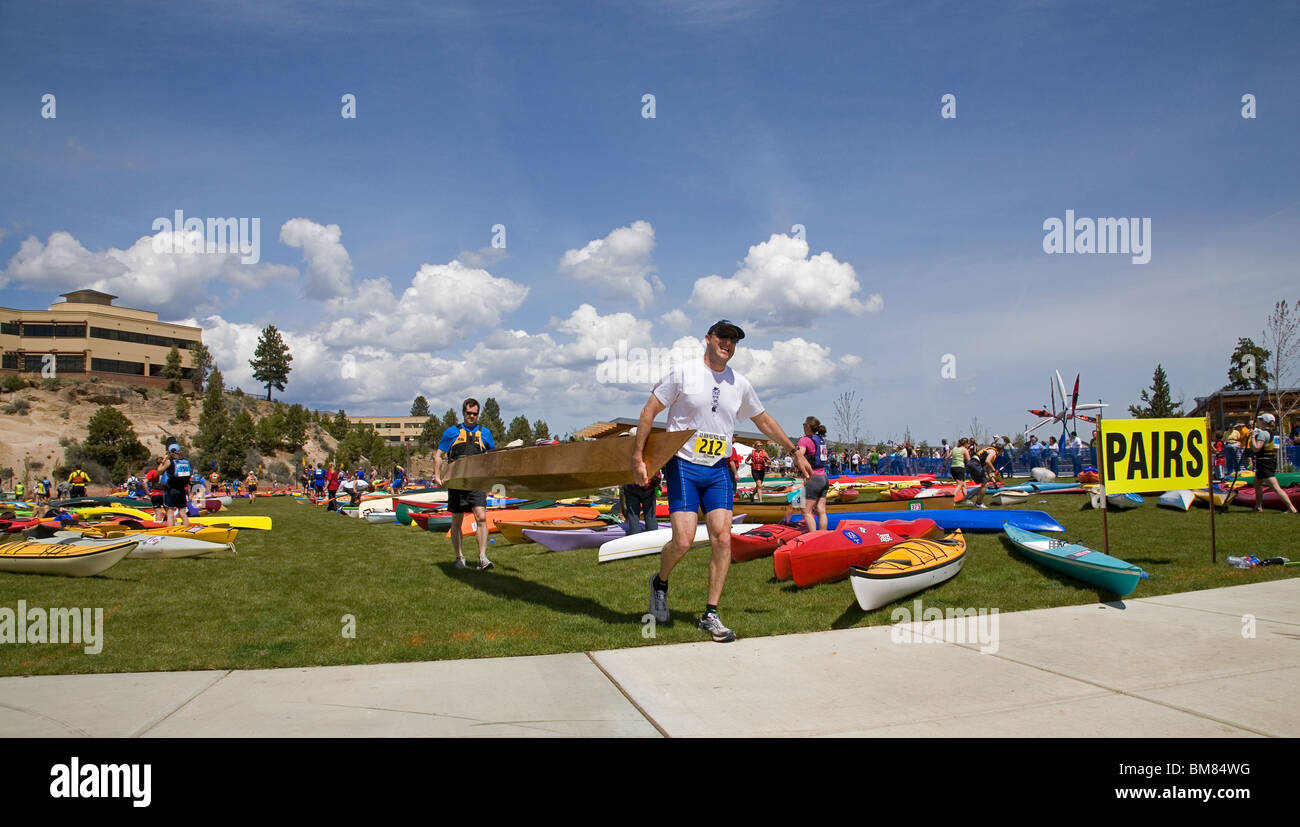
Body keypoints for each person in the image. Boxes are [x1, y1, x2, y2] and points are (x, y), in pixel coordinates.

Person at [633, 319, 811, 643]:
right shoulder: (683, 372)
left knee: (723, 539)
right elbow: (649, 411)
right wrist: (638, 457)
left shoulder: (739, 383)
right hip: (684, 464)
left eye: (733, 340)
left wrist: (794, 450)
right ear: (708, 338)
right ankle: (659, 582)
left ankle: (710, 614)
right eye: (723, 337)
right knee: (684, 541)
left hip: (718, 468)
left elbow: (764, 421)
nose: (728, 343)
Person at [434, 398, 497, 570]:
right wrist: (437, 475)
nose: (471, 416)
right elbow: (439, 455)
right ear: (463, 413)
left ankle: (482, 558)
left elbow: (492, 458)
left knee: (482, 517)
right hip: (457, 481)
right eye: (468, 413)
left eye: (474, 414)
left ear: (478, 414)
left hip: (476, 481)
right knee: (457, 519)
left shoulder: (486, 433)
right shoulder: (451, 432)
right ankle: (459, 557)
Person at [1250, 414, 1297, 513]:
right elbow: (1275, 448)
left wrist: (1252, 437)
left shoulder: (1263, 434)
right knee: (1256, 484)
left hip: (1264, 463)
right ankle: (1258, 507)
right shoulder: (1276, 433)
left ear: (1264, 421)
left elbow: (1256, 448)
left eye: (1260, 420)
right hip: (1270, 460)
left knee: (1276, 488)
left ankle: (1291, 508)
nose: (1259, 421)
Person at [796, 416, 831, 531]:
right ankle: (823, 536)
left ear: (807, 426)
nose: (803, 427)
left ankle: (813, 537)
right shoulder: (820, 439)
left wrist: (803, 470)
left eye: (803, 424)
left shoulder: (805, 440)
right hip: (824, 477)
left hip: (813, 477)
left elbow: (799, 455)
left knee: (806, 511)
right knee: (821, 509)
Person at [157, 442, 192, 527]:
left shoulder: (169, 462)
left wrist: (164, 460)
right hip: (182, 489)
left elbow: (159, 471)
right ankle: (187, 529)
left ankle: (171, 531)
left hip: (171, 489)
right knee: (183, 512)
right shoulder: (185, 462)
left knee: (170, 511)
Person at [966, 439, 999, 508]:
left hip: (971, 464)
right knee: (985, 484)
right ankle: (978, 503)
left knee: (984, 484)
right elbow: (987, 461)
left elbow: (988, 471)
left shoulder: (988, 451)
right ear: (999, 450)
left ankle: (968, 497)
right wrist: (994, 470)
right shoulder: (993, 452)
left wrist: (994, 483)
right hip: (975, 464)